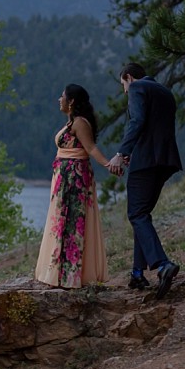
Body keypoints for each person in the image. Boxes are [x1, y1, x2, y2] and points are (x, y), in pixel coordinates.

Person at [106, 63, 183, 299]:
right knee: (142, 215)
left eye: (123, 86)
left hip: (146, 163)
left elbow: (137, 121)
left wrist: (121, 154)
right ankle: (137, 273)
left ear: (129, 77)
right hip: (165, 162)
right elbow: (155, 128)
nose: (126, 92)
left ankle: (162, 265)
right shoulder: (164, 92)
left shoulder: (138, 88)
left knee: (136, 215)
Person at [35, 84, 111, 288]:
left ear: (71, 101)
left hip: (74, 180)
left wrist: (108, 164)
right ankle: (59, 272)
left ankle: (69, 276)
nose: (59, 99)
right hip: (65, 177)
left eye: (62, 96)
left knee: (71, 222)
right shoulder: (72, 122)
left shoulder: (80, 123)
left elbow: (91, 148)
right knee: (62, 222)